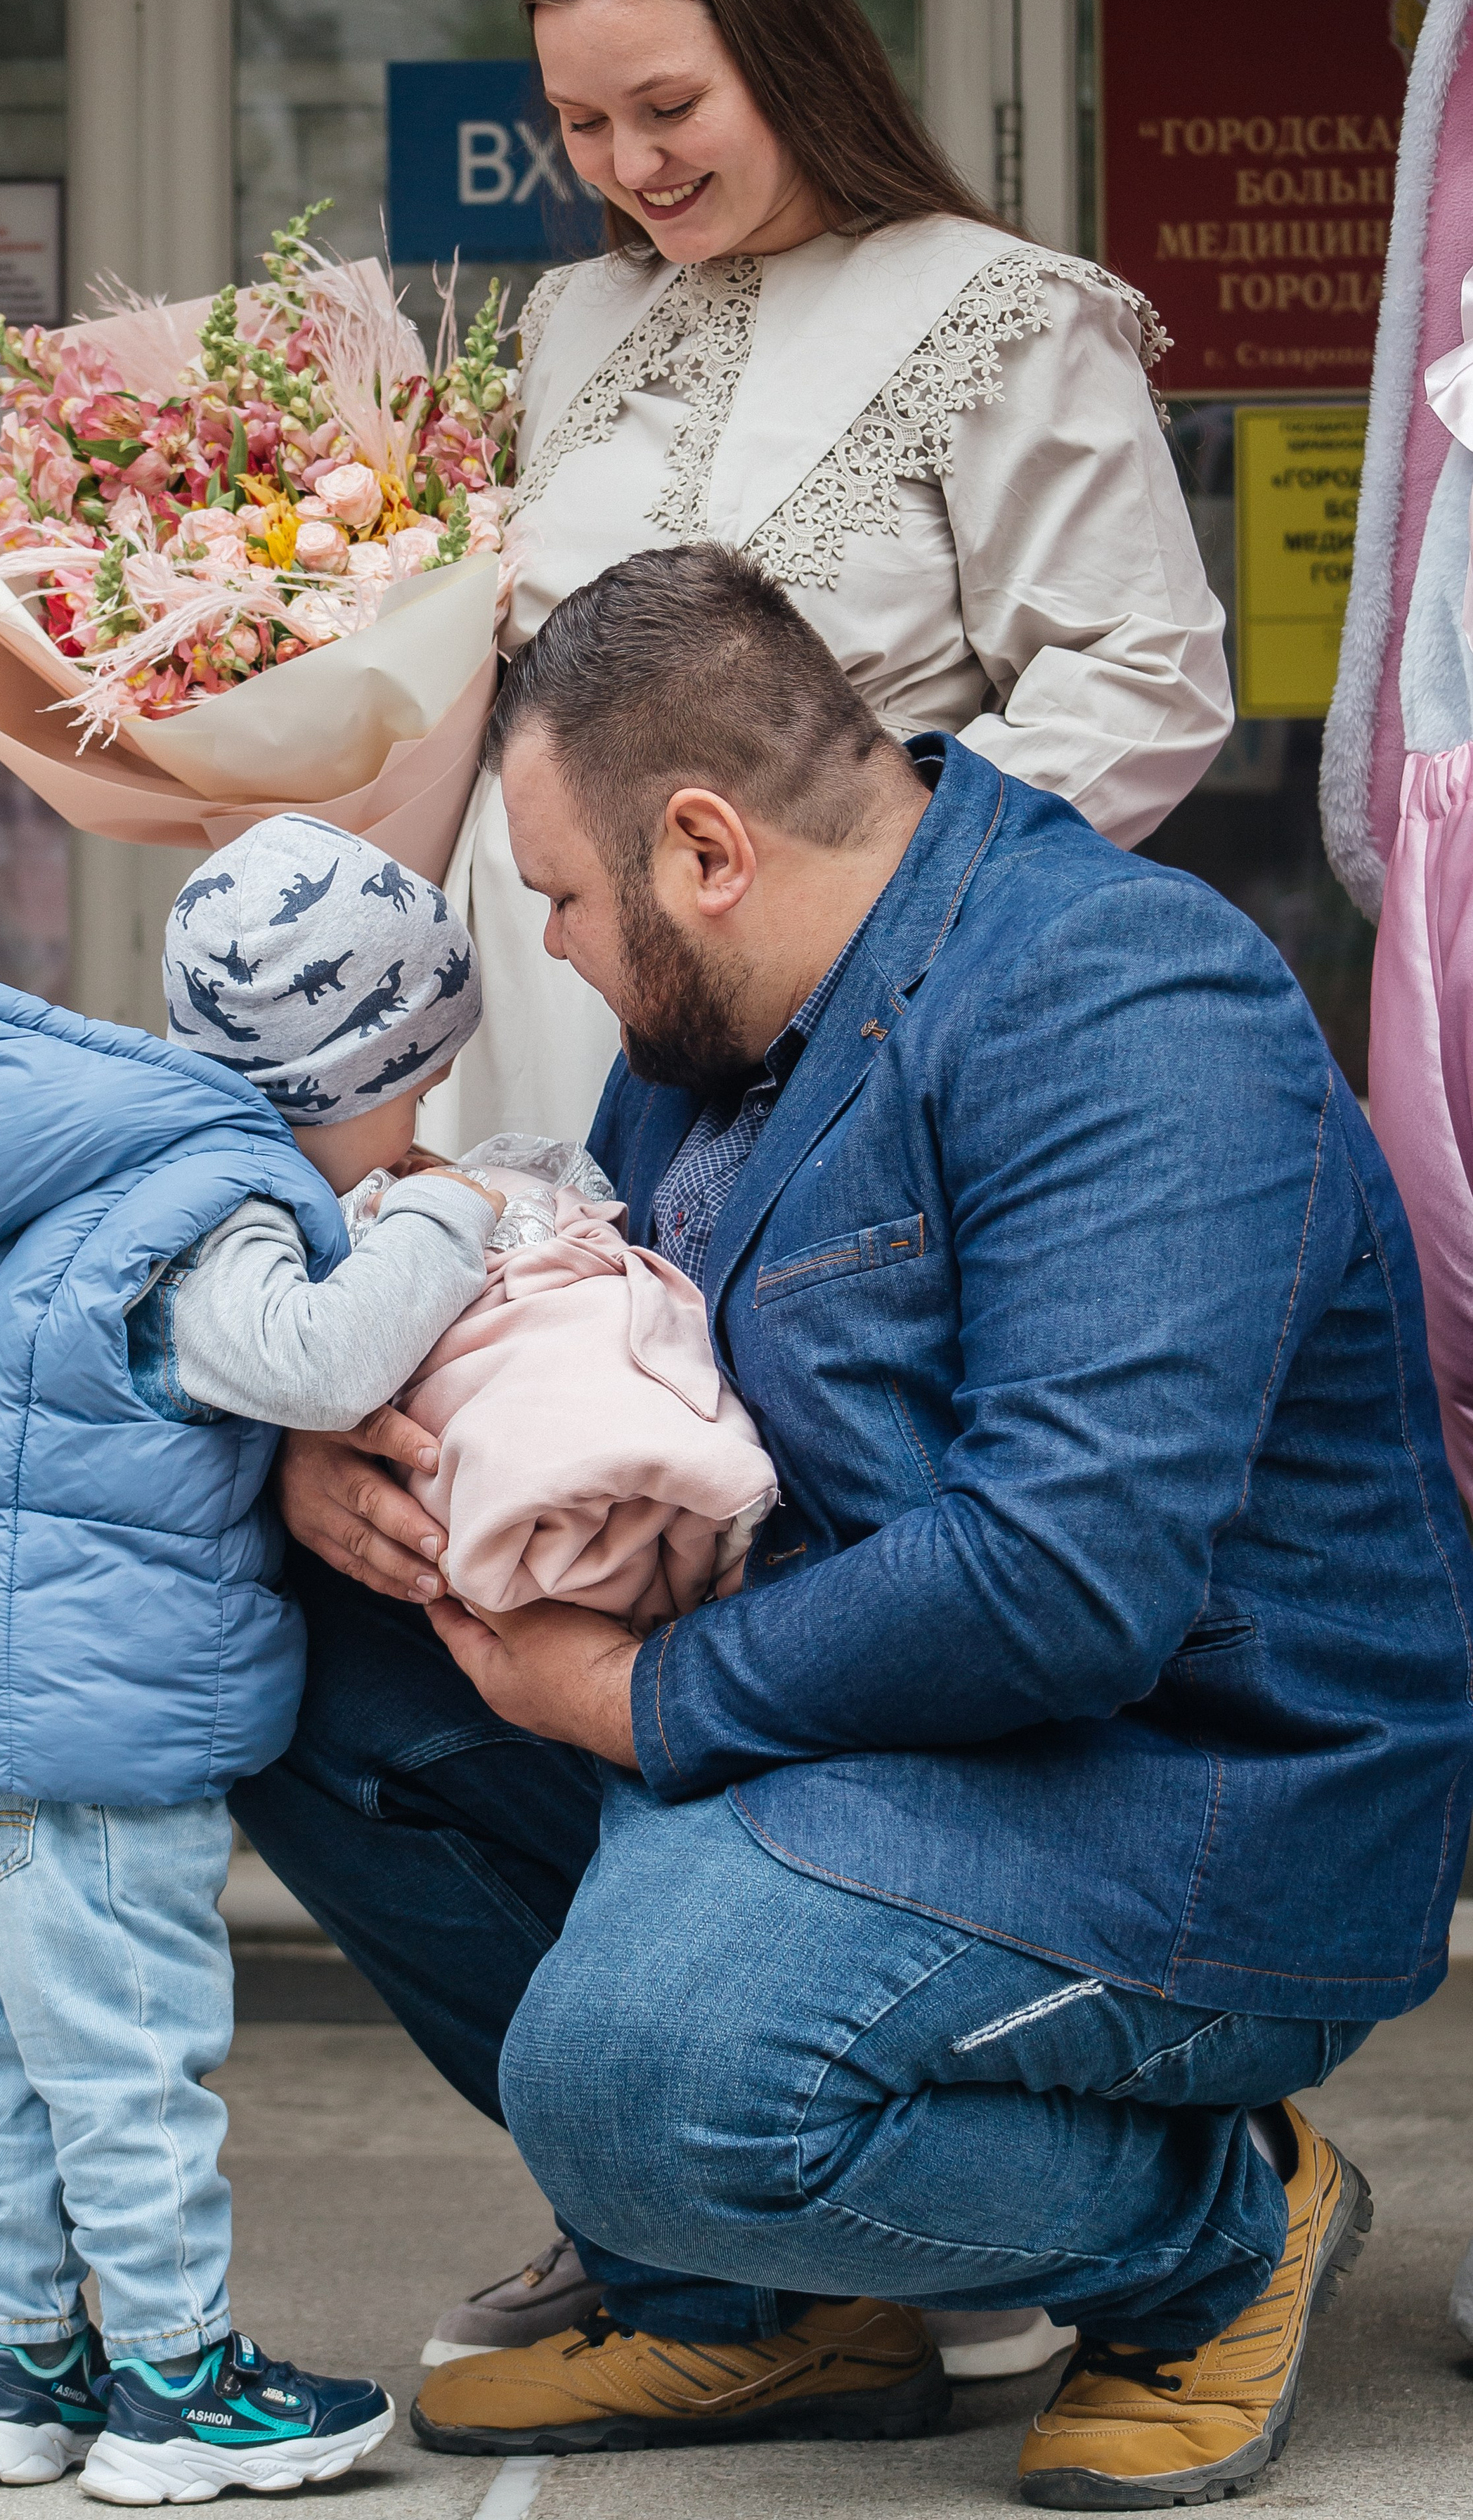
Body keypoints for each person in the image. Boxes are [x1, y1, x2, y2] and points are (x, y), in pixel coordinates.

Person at [234, 545, 1473, 2508]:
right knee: (280, 1644)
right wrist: (357, 1461)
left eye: (558, 894)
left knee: (645, 2076)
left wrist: (637, 1703)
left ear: (706, 849)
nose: (545, 945)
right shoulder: (705, 1048)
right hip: (866, 1731)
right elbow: (614, 1376)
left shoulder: (1128, 1000)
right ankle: (766, 2301)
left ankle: (1215, 2232)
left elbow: (1065, 1582)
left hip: (1186, 1795)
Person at [0, 817, 505, 2505]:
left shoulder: (76, 1171)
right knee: (124, 2058)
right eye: (416, 1096)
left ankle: (17, 2374)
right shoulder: (219, 1203)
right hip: (80, 1729)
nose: (414, 1136)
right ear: (349, 1076)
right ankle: (180, 2384)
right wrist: (449, 1220)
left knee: (5, 2061)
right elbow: (315, 1360)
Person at [418, 0, 1231, 1199]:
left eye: (670, 106)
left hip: (830, 1018)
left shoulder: (1003, 311)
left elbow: (1145, 678)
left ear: (788, 58)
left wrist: (883, 897)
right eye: (581, 120)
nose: (631, 164)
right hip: (524, 998)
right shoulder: (569, 321)